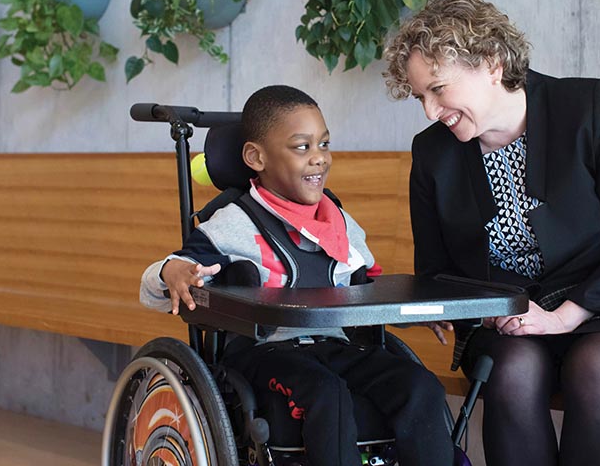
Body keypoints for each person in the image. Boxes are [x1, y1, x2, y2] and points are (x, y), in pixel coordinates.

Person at [382, 0, 600, 466]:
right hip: (508, 317)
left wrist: (565, 315)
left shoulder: (590, 108)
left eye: (438, 89)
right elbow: (437, 271)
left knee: (597, 370)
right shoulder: (433, 153)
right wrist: (452, 308)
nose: (430, 112)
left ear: (492, 63)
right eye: (421, 97)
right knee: (511, 372)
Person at [139, 85, 453, 466]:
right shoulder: (231, 225)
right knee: (327, 394)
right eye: (302, 147)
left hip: (333, 346)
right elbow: (161, 282)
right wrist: (172, 271)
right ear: (256, 157)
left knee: (421, 387)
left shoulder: (340, 223)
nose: (319, 159)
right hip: (261, 352)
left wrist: (419, 314)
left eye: (324, 144)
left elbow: (365, 291)